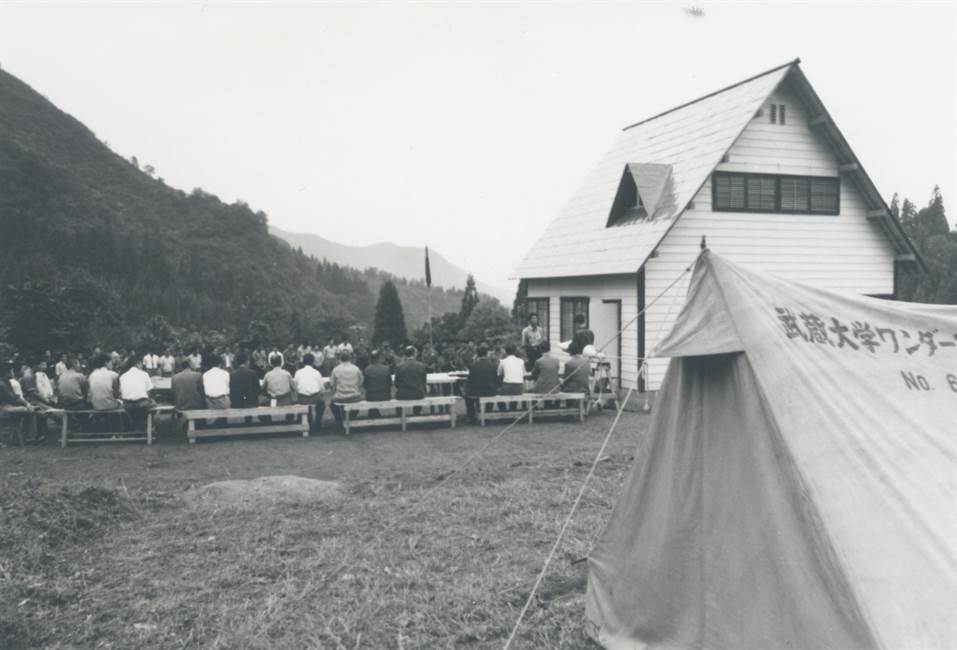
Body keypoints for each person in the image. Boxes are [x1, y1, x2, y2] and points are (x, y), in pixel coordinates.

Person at [330, 350, 363, 432]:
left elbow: (332, 384)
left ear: (340, 358)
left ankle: (339, 421)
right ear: (350, 358)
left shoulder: (336, 369)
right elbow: (360, 382)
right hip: (354, 397)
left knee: (332, 404)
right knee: (359, 401)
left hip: (340, 397)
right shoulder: (356, 368)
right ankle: (351, 418)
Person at [465, 344, 498, 424]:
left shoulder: (473, 365)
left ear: (477, 354)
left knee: (467, 396)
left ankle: (471, 416)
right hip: (490, 390)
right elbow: (495, 379)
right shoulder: (493, 365)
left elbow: (470, 380)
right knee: (491, 392)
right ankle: (488, 412)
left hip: (476, 391)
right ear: (487, 354)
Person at [294, 352, 326, 433]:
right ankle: (317, 422)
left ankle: (309, 421)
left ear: (303, 362)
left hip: (302, 398)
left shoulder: (298, 372)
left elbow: (295, 387)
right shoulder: (317, 372)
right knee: (321, 404)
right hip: (315, 398)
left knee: (305, 400)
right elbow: (321, 388)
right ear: (313, 362)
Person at [120, 357, 154, 429]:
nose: (142, 366)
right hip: (142, 404)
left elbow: (121, 393)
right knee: (153, 404)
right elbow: (149, 391)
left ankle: (135, 424)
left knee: (135, 409)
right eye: (141, 364)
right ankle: (146, 425)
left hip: (127, 405)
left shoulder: (122, 376)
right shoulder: (144, 374)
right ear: (138, 363)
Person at [362, 350, 392, 417]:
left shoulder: (367, 369)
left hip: (371, 397)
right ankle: (375, 415)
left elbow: (365, 385)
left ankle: (374, 416)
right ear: (379, 358)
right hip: (385, 396)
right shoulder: (386, 368)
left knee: (372, 400)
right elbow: (390, 384)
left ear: (370, 359)